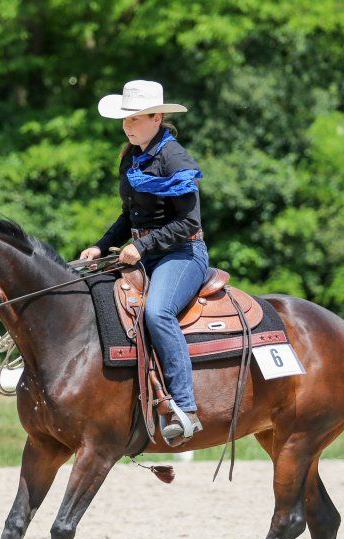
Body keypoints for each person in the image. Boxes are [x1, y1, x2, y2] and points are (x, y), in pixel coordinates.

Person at [80, 80, 208, 442]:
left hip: (182, 254)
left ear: (157, 117)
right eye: (125, 118)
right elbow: (128, 216)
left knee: (157, 313)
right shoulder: (130, 156)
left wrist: (144, 245)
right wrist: (102, 245)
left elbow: (188, 223)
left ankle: (185, 407)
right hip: (145, 252)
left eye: (135, 118)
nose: (127, 125)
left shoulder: (175, 159)